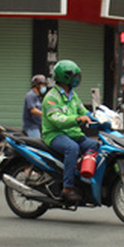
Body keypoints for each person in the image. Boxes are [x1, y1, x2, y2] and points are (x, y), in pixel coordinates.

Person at [41, 59, 97, 205]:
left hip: (73, 134)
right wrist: (78, 119)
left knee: (96, 146)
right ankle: (67, 187)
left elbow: (83, 110)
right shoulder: (51, 98)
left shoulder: (73, 95)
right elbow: (58, 119)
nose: (77, 79)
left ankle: (84, 178)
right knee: (72, 148)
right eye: (74, 76)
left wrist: (96, 116)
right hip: (55, 134)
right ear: (64, 77)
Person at [22, 74, 48, 138]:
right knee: (36, 145)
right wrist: (45, 114)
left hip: (39, 126)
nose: (44, 87)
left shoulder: (39, 97)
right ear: (37, 85)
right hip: (32, 127)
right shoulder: (30, 95)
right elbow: (32, 110)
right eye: (43, 85)